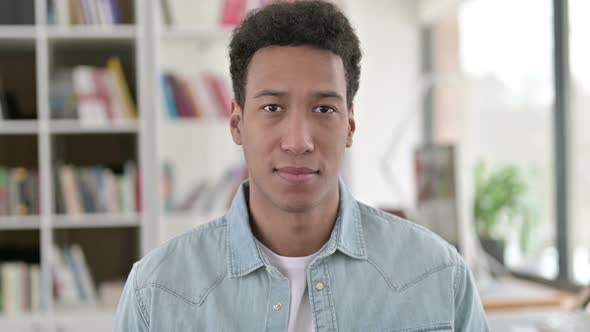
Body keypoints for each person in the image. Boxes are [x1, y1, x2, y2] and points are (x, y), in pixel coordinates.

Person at [114, 1, 489, 331]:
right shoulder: (158, 291)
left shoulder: (439, 276)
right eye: (272, 108)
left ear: (350, 126)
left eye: (324, 109)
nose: (298, 142)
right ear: (237, 124)